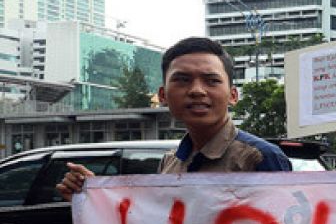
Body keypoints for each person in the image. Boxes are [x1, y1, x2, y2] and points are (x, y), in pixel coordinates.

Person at [56, 37, 291, 199]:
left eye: (211, 80)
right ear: (163, 95)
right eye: (183, 80)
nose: (197, 90)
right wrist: (94, 194)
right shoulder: (170, 163)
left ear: (232, 95)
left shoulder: (261, 158)